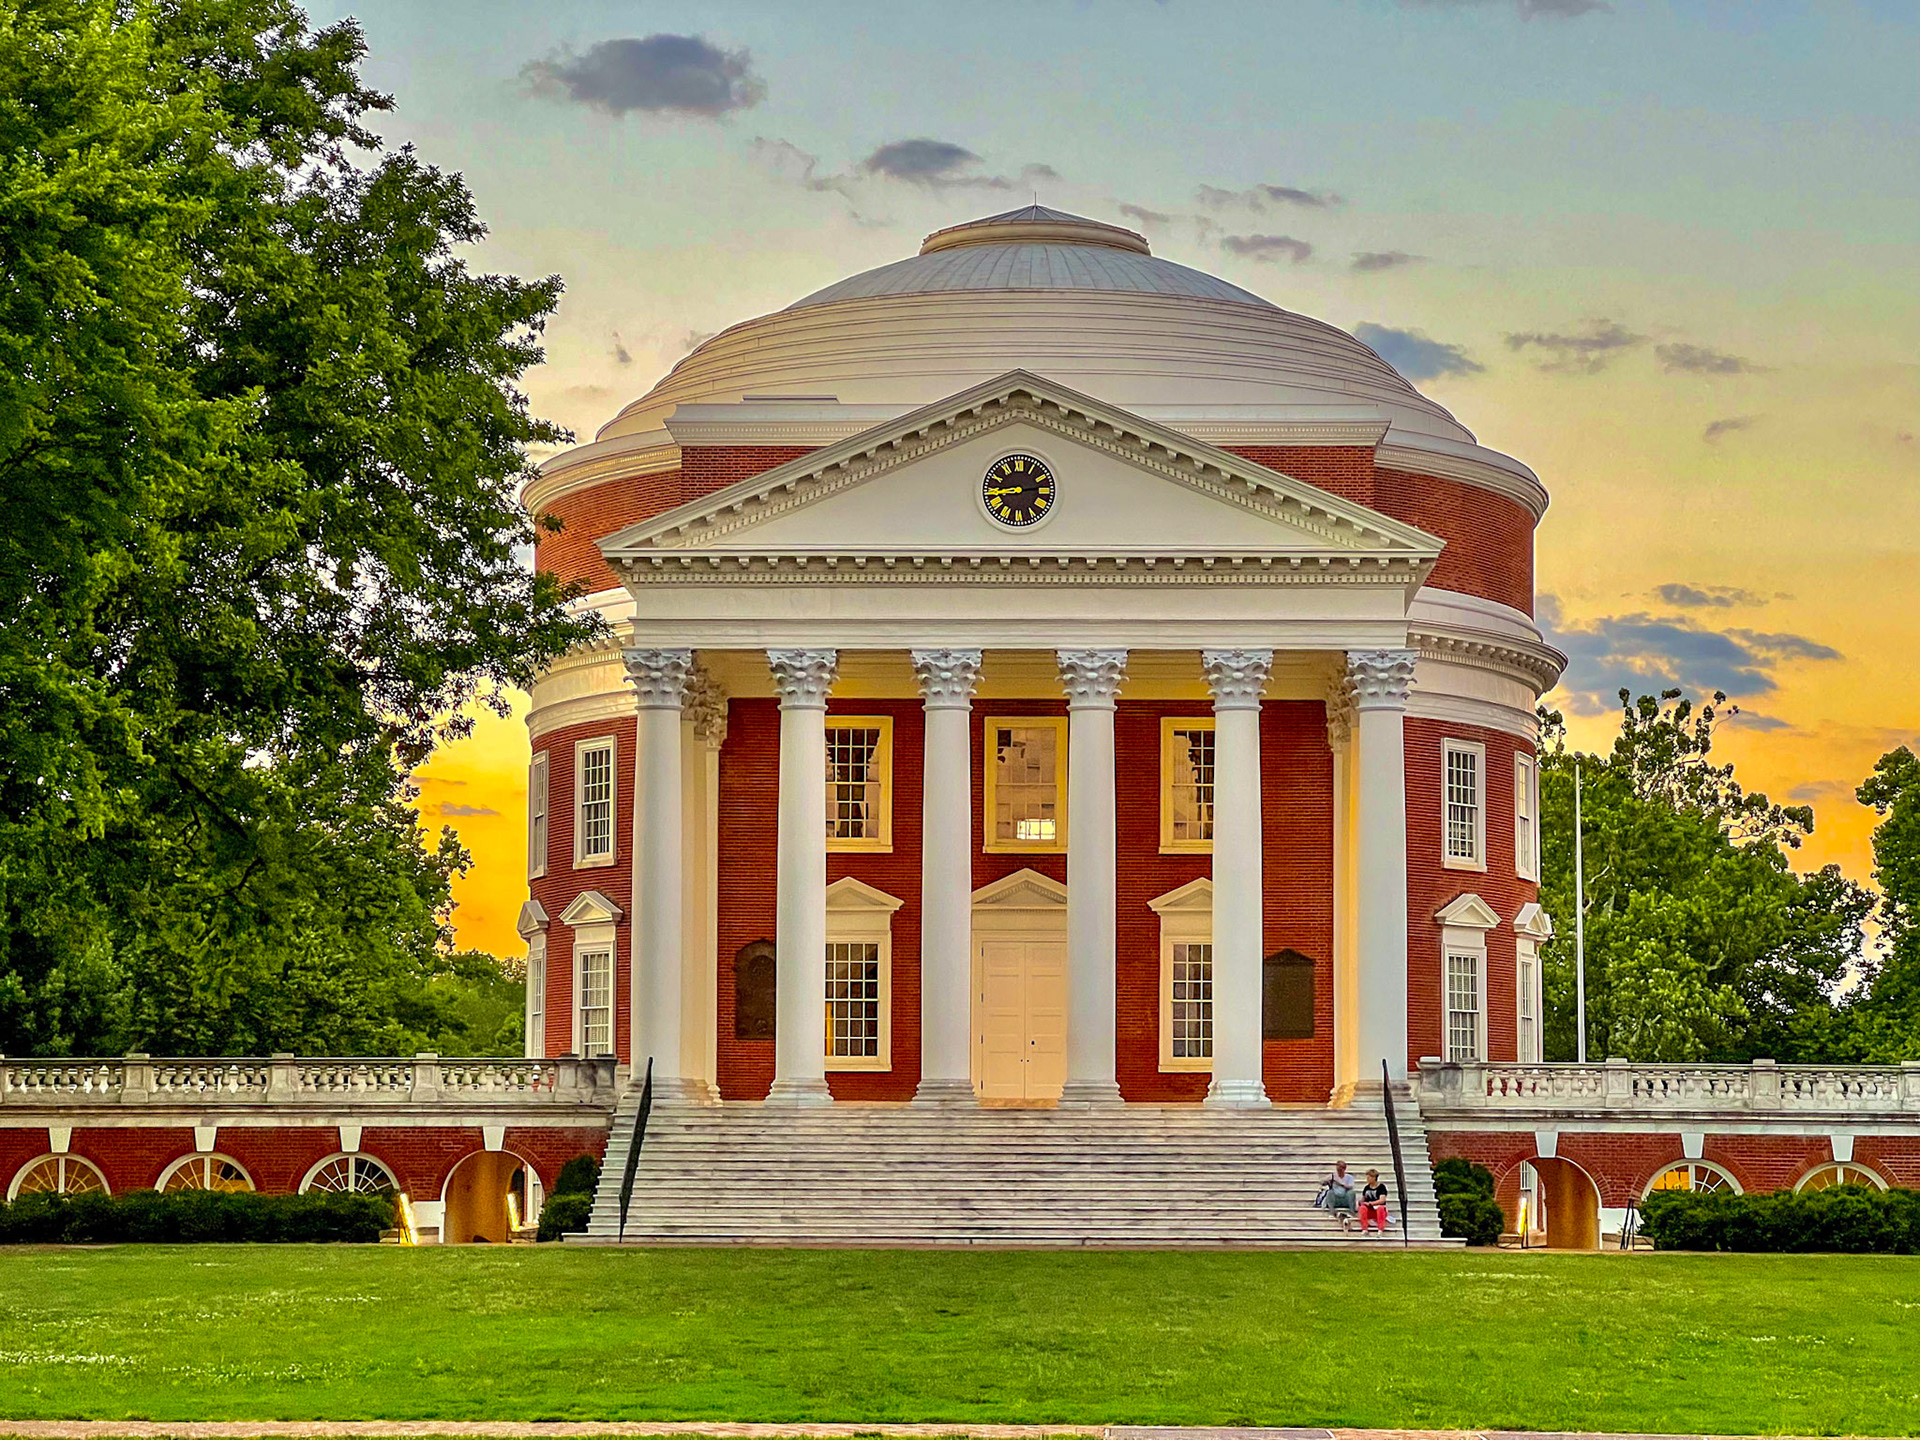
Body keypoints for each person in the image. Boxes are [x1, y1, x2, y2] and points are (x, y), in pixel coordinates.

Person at [1321, 1160, 1359, 1230]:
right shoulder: (1333, 1176)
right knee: (1330, 1192)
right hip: (1335, 1198)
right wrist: (1327, 1181)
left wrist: (1339, 1183)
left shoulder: (1349, 1177)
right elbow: (1322, 1182)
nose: (1339, 1171)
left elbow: (1350, 1187)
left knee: (1351, 1193)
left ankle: (1351, 1212)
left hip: (1345, 1198)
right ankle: (1332, 1212)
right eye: (1338, 1169)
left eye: (1341, 1169)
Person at [1359, 1168, 1394, 1236]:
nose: (1367, 1179)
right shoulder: (1366, 1188)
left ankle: (1380, 1229)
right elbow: (1364, 1198)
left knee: (1380, 1208)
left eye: (1369, 1177)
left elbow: (1382, 1200)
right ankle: (1364, 1229)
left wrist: (1371, 1203)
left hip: (1379, 1208)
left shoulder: (1381, 1187)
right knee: (1362, 1208)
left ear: (1374, 1178)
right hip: (1370, 1209)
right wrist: (1361, 1202)